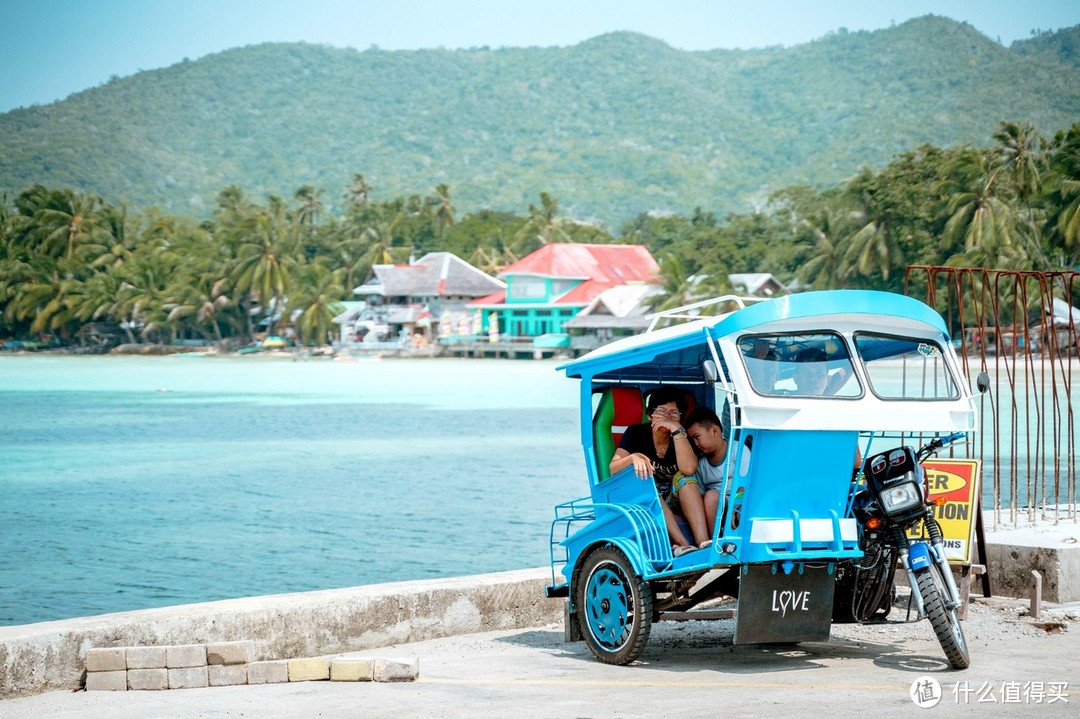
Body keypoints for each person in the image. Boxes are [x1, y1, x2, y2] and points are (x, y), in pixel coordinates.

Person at [608, 387, 710, 556]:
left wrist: (676, 430)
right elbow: (614, 468)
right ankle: (684, 545)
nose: (667, 417)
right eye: (661, 411)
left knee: (684, 478)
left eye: (674, 413)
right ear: (650, 415)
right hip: (645, 503)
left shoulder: (681, 437)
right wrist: (633, 457)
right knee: (650, 487)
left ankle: (703, 543)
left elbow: (689, 469)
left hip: (675, 500)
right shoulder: (637, 433)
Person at [684, 406, 727, 537]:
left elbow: (746, 486)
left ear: (714, 431)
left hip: (739, 502)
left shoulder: (738, 451)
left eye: (697, 437)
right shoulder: (701, 464)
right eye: (692, 440)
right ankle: (714, 542)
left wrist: (735, 507)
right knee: (711, 497)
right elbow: (700, 493)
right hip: (714, 506)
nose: (695, 443)